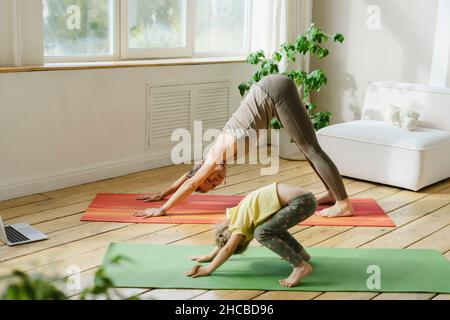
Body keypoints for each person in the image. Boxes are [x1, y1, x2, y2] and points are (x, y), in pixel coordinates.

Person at [134, 74, 353, 219]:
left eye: (208, 177)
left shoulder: (215, 155)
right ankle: (331, 193)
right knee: (307, 150)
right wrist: (162, 193)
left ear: (202, 167)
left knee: (311, 148)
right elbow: (188, 177)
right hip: (271, 96)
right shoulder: (214, 158)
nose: (214, 179)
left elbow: (191, 183)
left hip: (273, 90)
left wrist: (162, 210)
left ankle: (343, 204)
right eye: (213, 184)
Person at [185, 182, 316, 288]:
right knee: (268, 228)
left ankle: (300, 266)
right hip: (303, 198)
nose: (230, 239)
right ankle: (301, 254)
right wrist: (209, 256)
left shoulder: (239, 225)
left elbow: (227, 248)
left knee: (261, 233)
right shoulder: (237, 216)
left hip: (301, 201)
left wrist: (208, 269)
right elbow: (225, 244)